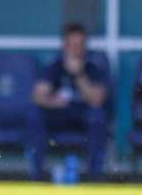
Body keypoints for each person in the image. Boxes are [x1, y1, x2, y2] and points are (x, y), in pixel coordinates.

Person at [27, 22, 108, 181]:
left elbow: (97, 100)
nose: (75, 50)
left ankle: (95, 176)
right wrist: (52, 102)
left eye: (79, 45)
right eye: (72, 45)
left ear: (85, 47)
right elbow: (37, 96)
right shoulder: (55, 66)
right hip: (58, 113)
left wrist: (78, 75)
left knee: (98, 116)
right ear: (65, 46)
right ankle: (36, 175)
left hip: (84, 114)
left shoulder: (94, 67)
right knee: (34, 114)